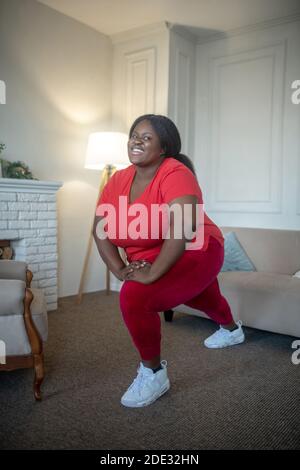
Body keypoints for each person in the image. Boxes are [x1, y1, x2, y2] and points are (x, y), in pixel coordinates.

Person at [93, 114, 245, 408]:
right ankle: (231, 330)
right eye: (134, 134)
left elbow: (184, 227)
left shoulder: (175, 172)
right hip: (150, 253)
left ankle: (153, 373)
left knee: (136, 297)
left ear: (163, 148)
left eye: (147, 137)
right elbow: (100, 229)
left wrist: (151, 275)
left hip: (197, 247)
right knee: (203, 296)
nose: (136, 140)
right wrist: (120, 269)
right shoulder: (118, 180)